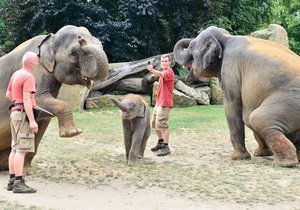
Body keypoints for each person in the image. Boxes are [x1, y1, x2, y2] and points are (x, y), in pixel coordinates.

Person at [6, 51, 39, 193]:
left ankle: (12, 181)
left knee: (14, 148)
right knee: (22, 149)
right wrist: (32, 121)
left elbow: (9, 94)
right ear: (31, 62)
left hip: (14, 113)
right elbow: (26, 99)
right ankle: (19, 184)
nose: (37, 62)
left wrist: (17, 101)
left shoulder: (16, 74)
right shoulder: (28, 76)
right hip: (22, 115)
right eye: (36, 60)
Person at [147, 54, 175, 156]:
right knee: (155, 123)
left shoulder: (169, 72)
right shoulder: (163, 71)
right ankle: (160, 142)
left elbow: (161, 74)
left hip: (165, 103)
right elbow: (160, 74)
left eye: (166, 61)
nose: (164, 63)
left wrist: (152, 70)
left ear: (170, 62)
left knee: (163, 124)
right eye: (162, 61)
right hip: (159, 103)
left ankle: (166, 147)